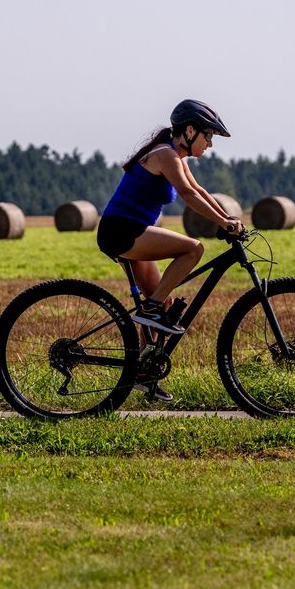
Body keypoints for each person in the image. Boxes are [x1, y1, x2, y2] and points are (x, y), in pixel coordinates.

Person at [96, 100, 243, 399]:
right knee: (193, 249)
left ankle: (143, 371)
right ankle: (151, 310)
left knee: (163, 304)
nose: (210, 144)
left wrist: (228, 218)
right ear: (189, 131)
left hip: (129, 230)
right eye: (208, 136)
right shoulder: (165, 154)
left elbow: (199, 190)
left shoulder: (175, 157)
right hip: (122, 231)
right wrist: (222, 223)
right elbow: (188, 194)